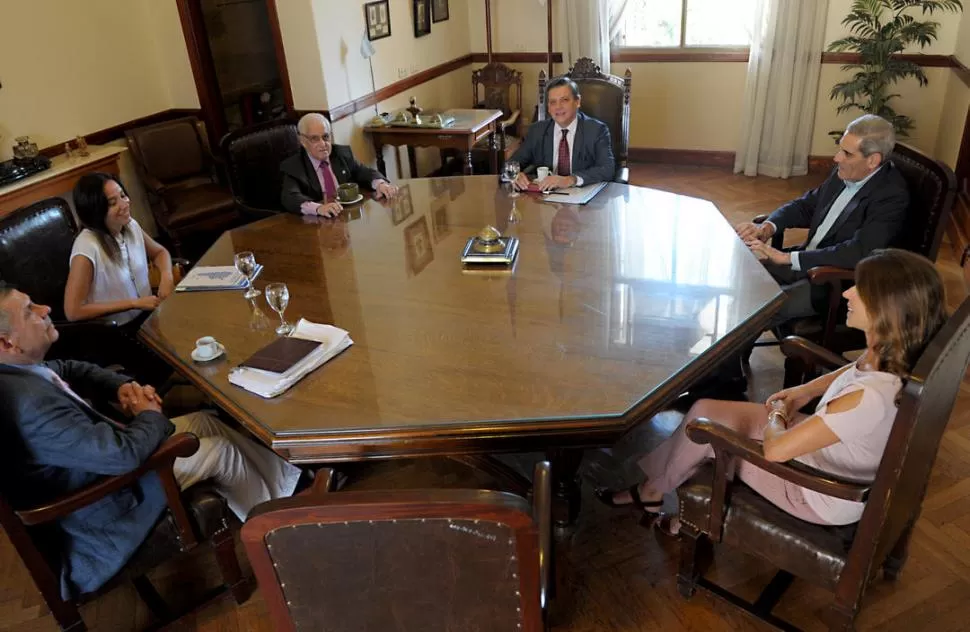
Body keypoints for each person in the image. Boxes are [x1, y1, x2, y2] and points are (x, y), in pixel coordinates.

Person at [596, 249, 947, 533]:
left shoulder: (868, 400)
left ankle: (653, 493)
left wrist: (779, 413)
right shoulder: (888, 357)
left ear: (888, 312)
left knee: (705, 430)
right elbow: (851, 371)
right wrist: (806, 391)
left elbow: (776, 449)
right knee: (704, 406)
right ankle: (654, 489)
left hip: (815, 491)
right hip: (823, 451)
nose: (846, 293)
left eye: (860, 289)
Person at [0, 284, 302, 599]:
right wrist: (149, 414)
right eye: (30, 310)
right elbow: (124, 455)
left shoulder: (17, 372)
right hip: (107, 507)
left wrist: (122, 386)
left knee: (204, 420)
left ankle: (290, 492)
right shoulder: (28, 406)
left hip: (107, 469)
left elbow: (67, 369)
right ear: (6, 341)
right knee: (220, 452)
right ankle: (285, 535)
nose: (45, 309)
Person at [694, 113, 910, 401]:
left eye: (846, 152)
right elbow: (807, 204)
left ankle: (723, 390)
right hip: (807, 261)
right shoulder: (846, 171)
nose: (836, 158)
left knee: (759, 306)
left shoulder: (891, 196)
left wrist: (786, 260)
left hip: (835, 284)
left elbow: (860, 252)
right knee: (737, 278)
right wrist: (767, 226)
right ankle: (724, 375)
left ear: (873, 160)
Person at [64, 173, 173, 326]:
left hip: (149, 315)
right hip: (120, 329)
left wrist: (166, 276)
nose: (124, 204)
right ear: (95, 211)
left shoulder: (129, 225)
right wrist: (134, 303)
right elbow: (73, 311)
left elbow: (160, 253)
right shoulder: (87, 246)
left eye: (123, 195)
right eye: (112, 203)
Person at [280, 112, 398, 217]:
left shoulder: (341, 154)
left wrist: (380, 184)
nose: (323, 144)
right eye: (315, 139)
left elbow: (363, 171)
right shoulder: (294, 166)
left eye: (326, 137)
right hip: (317, 224)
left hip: (347, 216)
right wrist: (318, 208)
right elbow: (290, 197)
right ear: (303, 141)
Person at [509, 77, 616, 191]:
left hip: (582, 196)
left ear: (577, 101)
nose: (558, 107)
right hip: (545, 199)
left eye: (564, 100)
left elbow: (607, 169)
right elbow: (510, 164)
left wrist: (571, 180)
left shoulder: (596, 130)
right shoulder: (537, 131)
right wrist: (515, 174)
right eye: (553, 102)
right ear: (549, 108)